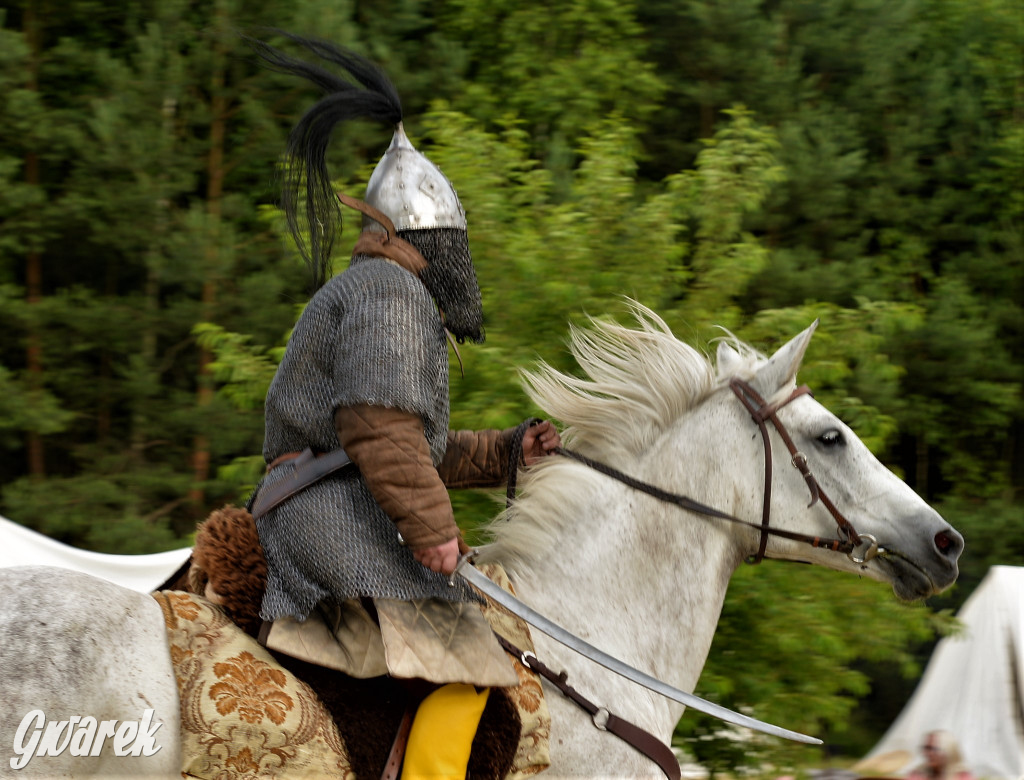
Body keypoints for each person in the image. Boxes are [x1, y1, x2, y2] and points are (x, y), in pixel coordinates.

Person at [244, 33, 561, 778]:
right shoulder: (390, 292)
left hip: (332, 489)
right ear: (426, 237)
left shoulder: (373, 289)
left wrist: (510, 453)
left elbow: (405, 445)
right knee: (466, 661)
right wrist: (434, 532)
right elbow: (377, 425)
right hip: (326, 506)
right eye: (453, 241)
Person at [906, 730, 976, 780]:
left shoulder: (963, 776)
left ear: (948, 751)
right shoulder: (917, 775)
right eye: (926, 748)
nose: (926, 753)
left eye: (932, 748)